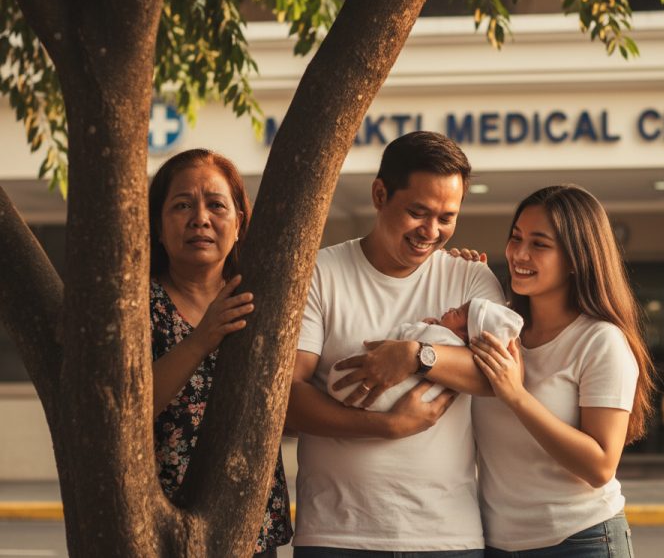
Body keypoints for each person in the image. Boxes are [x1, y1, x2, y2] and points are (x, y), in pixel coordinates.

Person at [287, 131, 505, 556]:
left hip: (446, 534)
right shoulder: (320, 274)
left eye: (447, 217)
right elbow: (286, 397)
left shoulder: (471, 278)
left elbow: (498, 375)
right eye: (418, 212)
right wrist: (387, 427)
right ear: (380, 194)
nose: (431, 231)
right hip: (335, 534)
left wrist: (416, 355)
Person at [469, 185, 654, 557]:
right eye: (516, 237)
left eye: (539, 244)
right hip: (496, 542)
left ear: (575, 258)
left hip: (580, 541)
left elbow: (601, 465)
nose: (519, 253)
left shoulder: (601, 341)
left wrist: (517, 397)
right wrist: (453, 276)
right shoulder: (498, 327)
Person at [149, 148, 292, 558]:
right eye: (181, 205)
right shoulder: (136, 304)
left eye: (216, 205)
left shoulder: (262, 299)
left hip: (249, 523)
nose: (200, 219)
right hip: (161, 524)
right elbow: (125, 411)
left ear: (239, 222)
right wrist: (199, 341)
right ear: (159, 225)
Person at [327, 298, 523, 412]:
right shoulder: (453, 348)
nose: (451, 309)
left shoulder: (444, 338)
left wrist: (421, 328)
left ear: (465, 334)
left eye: (457, 313)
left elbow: (408, 337)